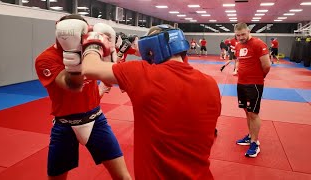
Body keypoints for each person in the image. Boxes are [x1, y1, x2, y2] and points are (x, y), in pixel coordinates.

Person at [66, 24, 221, 179]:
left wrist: (93, 39)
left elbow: (90, 67)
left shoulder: (142, 73)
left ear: (152, 47)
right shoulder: (211, 84)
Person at [34, 14, 131, 180]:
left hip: (96, 120)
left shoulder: (91, 51)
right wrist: (74, 56)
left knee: (123, 177)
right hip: (64, 126)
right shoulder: (45, 59)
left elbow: (109, 79)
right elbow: (73, 86)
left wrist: (113, 55)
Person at [233, 22, 271, 158]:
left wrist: (259, 78)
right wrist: (237, 70)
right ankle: (250, 136)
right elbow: (238, 60)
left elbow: (267, 65)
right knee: (247, 112)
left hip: (254, 84)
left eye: (243, 34)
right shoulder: (238, 45)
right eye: (238, 35)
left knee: (253, 113)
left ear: (248, 31)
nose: (241, 37)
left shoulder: (258, 44)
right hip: (241, 83)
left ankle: (255, 143)